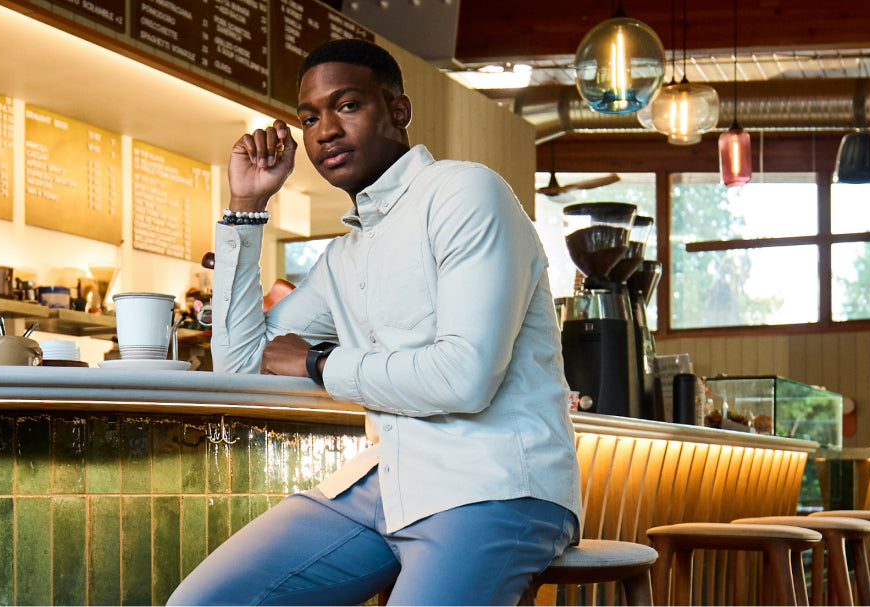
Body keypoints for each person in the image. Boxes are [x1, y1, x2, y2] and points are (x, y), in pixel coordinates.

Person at [167, 38, 582, 606]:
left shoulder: (466, 193)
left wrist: (318, 362)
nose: (324, 131)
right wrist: (246, 209)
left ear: (399, 111)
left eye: (347, 106)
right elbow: (240, 364)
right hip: (385, 484)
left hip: (493, 487)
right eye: (309, 118)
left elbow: (465, 377)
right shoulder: (343, 257)